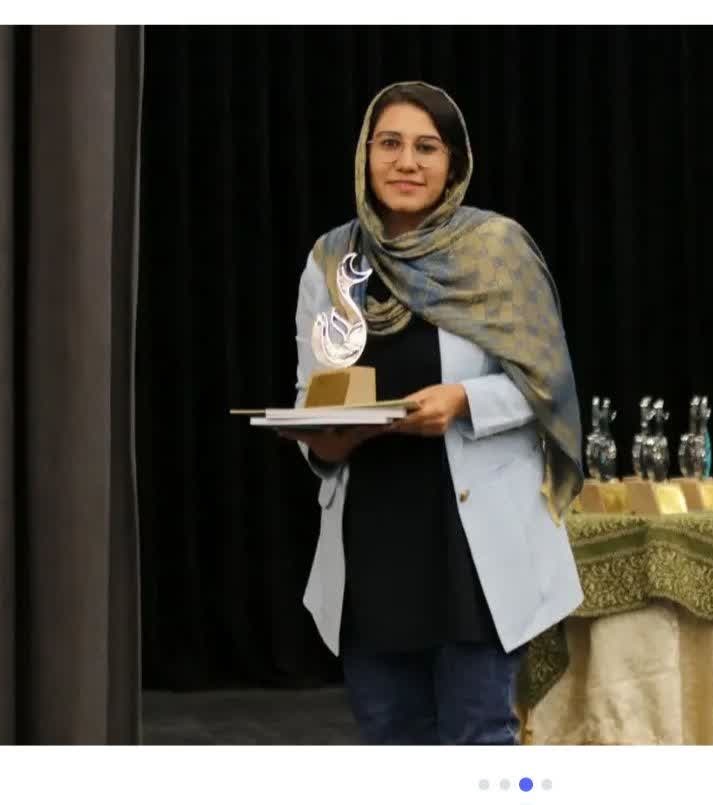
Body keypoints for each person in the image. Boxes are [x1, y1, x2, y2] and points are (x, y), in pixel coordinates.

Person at [277, 82, 584, 746]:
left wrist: (464, 400)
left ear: (454, 162)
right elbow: (310, 392)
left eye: (427, 147)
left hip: (472, 547)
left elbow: (548, 384)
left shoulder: (497, 250)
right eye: (389, 144)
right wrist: (323, 439)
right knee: (390, 735)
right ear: (365, 155)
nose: (406, 162)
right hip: (374, 537)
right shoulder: (333, 262)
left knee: (479, 735)